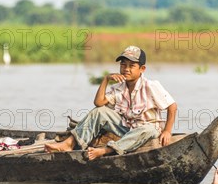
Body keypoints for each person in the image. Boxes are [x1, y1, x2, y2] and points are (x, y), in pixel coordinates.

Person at [45, 45, 177, 160]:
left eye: (132, 66)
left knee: (146, 129)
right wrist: (106, 79)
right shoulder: (118, 88)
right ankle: (69, 143)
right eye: (123, 65)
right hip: (127, 129)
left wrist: (167, 131)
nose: (126, 69)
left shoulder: (151, 86)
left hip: (149, 130)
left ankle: (106, 150)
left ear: (142, 69)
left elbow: (172, 106)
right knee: (99, 111)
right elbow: (98, 103)